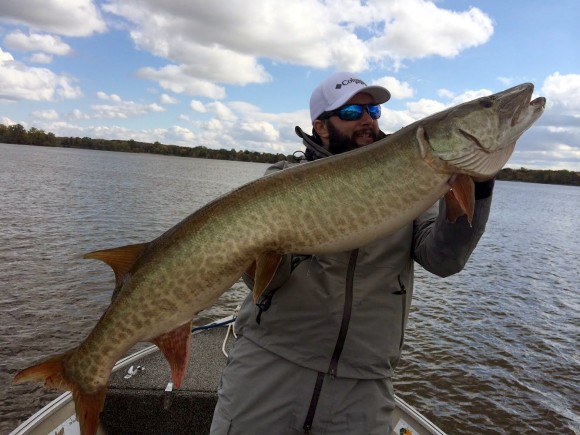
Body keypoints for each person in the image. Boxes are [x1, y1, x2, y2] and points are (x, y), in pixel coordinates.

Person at [210, 72, 495, 434]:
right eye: (351, 113)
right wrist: (256, 256)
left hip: (364, 385)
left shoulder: (414, 184)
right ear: (322, 127)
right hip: (270, 366)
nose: (368, 120)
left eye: (373, 110)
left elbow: (445, 260)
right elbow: (266, 281)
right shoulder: (281, 181)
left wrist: (479, 184)